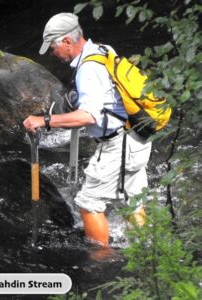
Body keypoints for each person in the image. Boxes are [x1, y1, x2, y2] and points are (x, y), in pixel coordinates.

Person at [23, 12, 151, 247]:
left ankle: (100, 261)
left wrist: (45, 121)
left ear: (67, 42)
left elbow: (89, 116)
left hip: (117, 145)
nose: (53, 53)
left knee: (88, 203)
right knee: (132, 199)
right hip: (137, 136)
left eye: (53, 47)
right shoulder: (103, 50)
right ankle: (145, 252)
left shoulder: (88, 70)